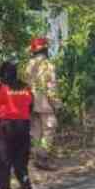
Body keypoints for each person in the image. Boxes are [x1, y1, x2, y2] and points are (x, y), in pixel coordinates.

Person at [0, 61, 36, 189]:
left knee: (4, 163)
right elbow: (31, 106)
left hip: (6, 128)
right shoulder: (26, 87)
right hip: (23, 127)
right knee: (21, 161)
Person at [24, 36, 61, 169]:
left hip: (31, 102)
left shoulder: (29, 65)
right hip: (45, 104)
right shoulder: (48, 65)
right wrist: (56, 104)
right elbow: (51, 87)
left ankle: (36, 156)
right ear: (45, 49)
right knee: (49, 130)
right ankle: (42, 157)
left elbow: (26, 84)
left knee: (35, 131)